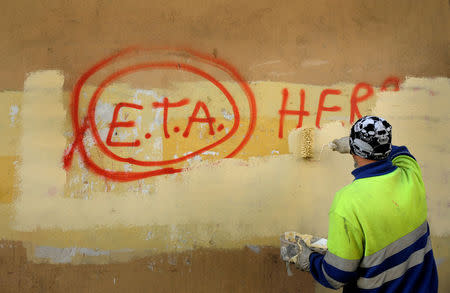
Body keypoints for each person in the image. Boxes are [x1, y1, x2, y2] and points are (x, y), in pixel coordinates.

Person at [284, 116, 438, 292]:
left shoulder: (348, 202)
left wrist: (308, 260)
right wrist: (361, 145)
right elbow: (400, 151)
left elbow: (336, 276)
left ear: (354, 153)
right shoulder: (410, 172)